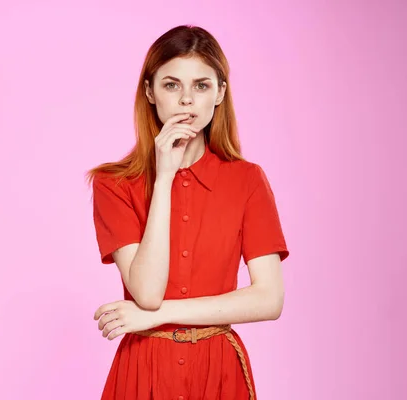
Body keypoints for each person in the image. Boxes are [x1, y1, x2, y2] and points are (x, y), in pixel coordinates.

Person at [86, 25, 290, 400]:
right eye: (171, 85)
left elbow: (269, 299)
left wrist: (158, 316)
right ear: (150, 92)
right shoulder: (113, 185)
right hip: (143, 370)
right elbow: (146, 293)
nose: (186, 101)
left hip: (218, 371)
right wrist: (163, 177)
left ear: (220, 94)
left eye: (201, 86)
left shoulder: (247, 180)